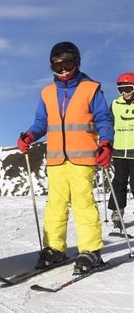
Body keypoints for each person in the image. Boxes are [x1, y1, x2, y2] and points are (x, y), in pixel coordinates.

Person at [17, 41, 114, 274]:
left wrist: (106, 143)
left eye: (68, 62)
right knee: (56, 205)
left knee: (83, 204)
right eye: (57, 65)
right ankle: (54, 248)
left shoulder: (90, 88)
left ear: (77, 61)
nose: (63, 69)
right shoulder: (47, 93)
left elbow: (104, 119)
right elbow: (42, 122)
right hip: (56, 158)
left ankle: (91, 251)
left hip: (83, 157)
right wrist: (30, 135)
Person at [107, 72, 134, 230]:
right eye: (121, 88)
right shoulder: (115, 104)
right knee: (119, 183)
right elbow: (108, 124)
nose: (124, 92)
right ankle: (117, 214)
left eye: (128, 88)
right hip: (118, 152)